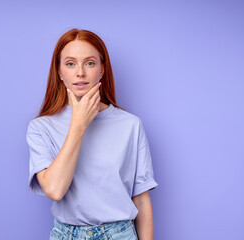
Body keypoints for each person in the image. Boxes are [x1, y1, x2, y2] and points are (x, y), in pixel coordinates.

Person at [26, 28, 158, 240]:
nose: (80, 72)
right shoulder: (41, 127)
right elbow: (55, 190)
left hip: (119, 235)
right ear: (59, 72)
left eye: (89, 63)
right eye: (70, 64)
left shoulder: (130, 125)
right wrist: (78, 124)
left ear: (102, 69)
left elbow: (141, 199)